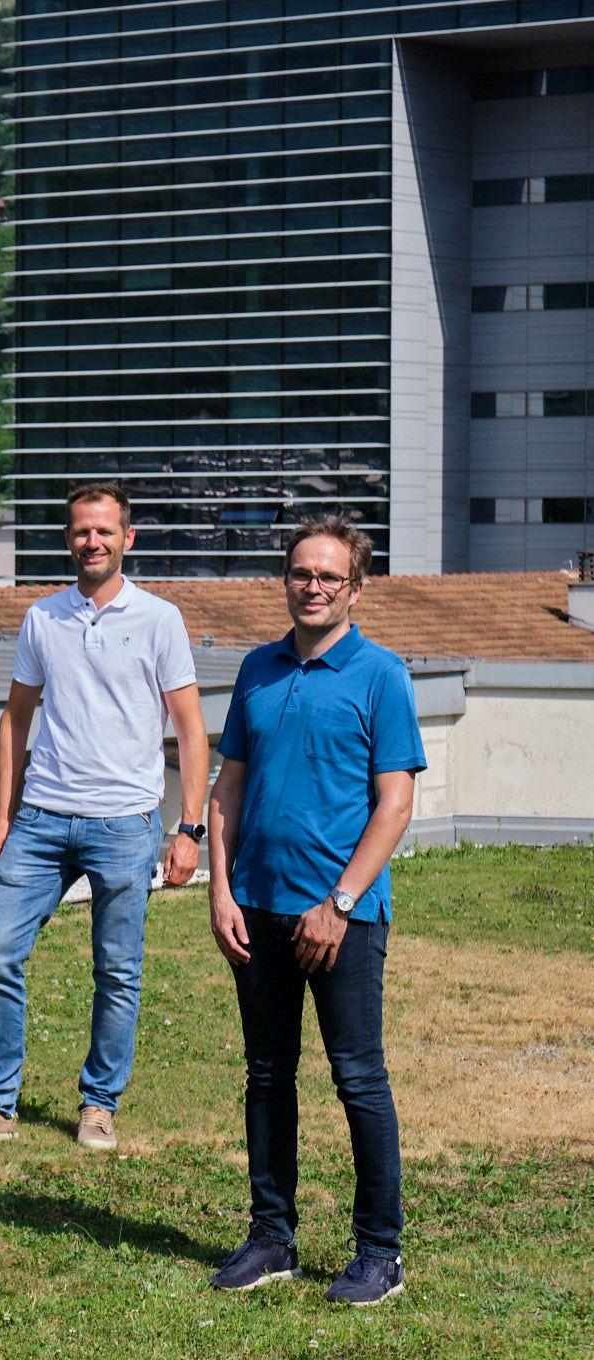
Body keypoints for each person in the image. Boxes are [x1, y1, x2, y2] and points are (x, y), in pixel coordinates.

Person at [0, 483, 208, 1154]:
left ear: (128, 539)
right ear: (69, 539)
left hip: (124, 824)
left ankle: (98, 1104)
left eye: (105, 531)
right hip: (41, 819)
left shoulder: (159, 619)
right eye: (81, 531)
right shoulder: (43, 619)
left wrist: (190, 827)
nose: (93, 541)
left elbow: (191, 728)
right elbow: (15, 718)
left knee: (117, 970)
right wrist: (2, 816)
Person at [205, 515, 422, 1307]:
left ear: (356, 589)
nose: (314, 586)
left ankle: (380, 1252)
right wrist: (221, 890)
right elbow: (227, 788)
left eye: (330, 576)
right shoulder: (258, 670)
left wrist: (339, 901)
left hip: (343, 916)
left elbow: (394, 803)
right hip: (254, 907)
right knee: (267, 1076)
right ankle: (273, 1237)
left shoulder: (381, 675)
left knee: (358, 1078)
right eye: (302, 572)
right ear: (286, 579)